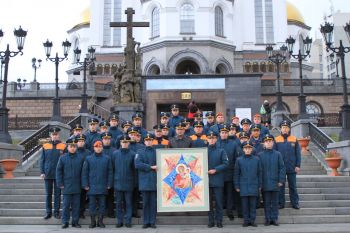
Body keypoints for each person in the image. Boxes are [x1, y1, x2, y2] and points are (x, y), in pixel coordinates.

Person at [82, 141, 113, 228]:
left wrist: (109, 183)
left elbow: (110, 172)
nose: (98, 148)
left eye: (100, 146)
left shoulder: (107, 158)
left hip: (103, 186)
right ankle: (92, 222)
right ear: (94, 148)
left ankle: (100, 221)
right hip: (91, 186)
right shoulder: (88, 158)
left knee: (102, 205)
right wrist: (85, 184)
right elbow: (85, 173)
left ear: (102, 148)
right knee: (92, 205)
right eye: (96, 147)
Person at [56, 138, 85, 229]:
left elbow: (83, 172)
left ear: (76, 147)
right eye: (71, 146)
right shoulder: (63, 158)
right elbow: (59, 171)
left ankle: (75, 222)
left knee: (76, 206)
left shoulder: (80, 157)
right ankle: (65, 222)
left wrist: (83, 184)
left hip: (77, 185)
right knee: (66, 205)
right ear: (68, 147)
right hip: (66, 185)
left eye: (74, 146)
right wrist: (60, 183)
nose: (72, 148)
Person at [259, 134, 286, 226]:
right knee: (266, 202)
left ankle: (274, 219)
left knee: (275, 202)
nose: (269, 143)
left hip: (275, 182)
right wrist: (260, 182)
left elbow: (282, 168)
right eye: (266, 142)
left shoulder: (278, 154)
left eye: (270, 141)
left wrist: (281, 180)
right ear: (264, 144)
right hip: (265, 183)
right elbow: (259, 170)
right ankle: (267, 219)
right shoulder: (260, 155)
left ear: (273, 143)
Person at [40, 127, 66, 220]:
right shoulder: (45, 146)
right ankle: (48, 212)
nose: (55, 136)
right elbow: (42, 160)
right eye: (53, 135)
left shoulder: (63, 146)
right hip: (48, 173)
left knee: (57, 194)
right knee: (48, 194)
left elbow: (65, 161)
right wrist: (42, 172)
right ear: (51, 135)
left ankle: (56, 212)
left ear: (58, 135)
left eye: (56, 134)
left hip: (59, 175)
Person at [234, 141, 262, 227]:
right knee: (245, 205)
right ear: (243, 149)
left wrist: (260, 184)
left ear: (252, 149)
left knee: (253, 205)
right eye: (246, 148)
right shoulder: (239, 160)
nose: (248, 150)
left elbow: (260, 172)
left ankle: (252, 220)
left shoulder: (257, 159)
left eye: (249, 148)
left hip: (254, 185)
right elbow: (236, 174)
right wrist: (237, 185)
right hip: (243, 185)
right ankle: (246, 220)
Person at [275, 120, 301, 210]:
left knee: (293, 186)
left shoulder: (294, 139)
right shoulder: (276, 139)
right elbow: (274, 154)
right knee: (280, 186)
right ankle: (280, 203)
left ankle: (295, 203)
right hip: (280, 168)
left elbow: (298, 154)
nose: (285, 129)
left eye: (286, 127)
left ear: (289, 129)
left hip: (292, 167)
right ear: (281, 129)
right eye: (283, 128)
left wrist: (298, 165)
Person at [216, 124, 240, 220]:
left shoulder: (233, 143)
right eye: (222, 132)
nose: (224, 134)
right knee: (220, 194)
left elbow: (236, 158)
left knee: (230, 194)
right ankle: (220, 211)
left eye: (226, 132)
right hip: (218, 173)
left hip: (230, 173)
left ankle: (229, 211)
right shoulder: (216, 143)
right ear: (220, 133)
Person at [112, 135, 136, 228]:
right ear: (120, 143)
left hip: (129, 182)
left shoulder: (133, 154)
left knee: (128, 203)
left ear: (129, 143)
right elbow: (113, 168)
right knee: (118, 203)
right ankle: (119, 221)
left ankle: (128, 221)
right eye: (123, 142)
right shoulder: (115, 154)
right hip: (118, 182)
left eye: (126, 142)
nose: (124, 144)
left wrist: (134, 183)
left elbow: (134, 170)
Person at [135, 134, 158, 229]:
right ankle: (145, 221)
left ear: (152, 141)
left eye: (150, 140)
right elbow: (137, 164)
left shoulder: (157, 152)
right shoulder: (139, 152)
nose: (148, 141)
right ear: (144, 142)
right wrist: (150, 167)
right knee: (145, 203)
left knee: (153, 203)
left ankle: (152, 222)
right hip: (144, 181)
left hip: (154, 180)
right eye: (147, 140)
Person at [207, 131, 229, 228]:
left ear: (216, 139)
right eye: (210, 138)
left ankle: (219, 221)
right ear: (207, 139)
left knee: (219, 202)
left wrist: (215, 170)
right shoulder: (203, 151)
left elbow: (226, 163)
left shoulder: (221, 151)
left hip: (218, 180)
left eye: (213, 138)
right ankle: (211, 221)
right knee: (209, 203)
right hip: (206, 181)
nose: (211, 140)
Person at [101, 132, 116, 218]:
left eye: (108, 139)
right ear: (102, 140)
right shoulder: (99, 149)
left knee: (110, 196)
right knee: (101, 196)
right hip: (101, 177)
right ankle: (102, 212)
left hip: (111, 176)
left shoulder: (114, 150)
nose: (106, 141)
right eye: (105, 139)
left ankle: (110, 212)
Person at [75, 134, 90, 219]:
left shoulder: (88, 152)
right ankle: (75, 212)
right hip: (75, 178)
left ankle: (81, 212)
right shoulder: (73, 151)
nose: (81, 143)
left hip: (84, 178)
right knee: (75, 197)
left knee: (83, 197)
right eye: (79, 141)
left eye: (82, 141)